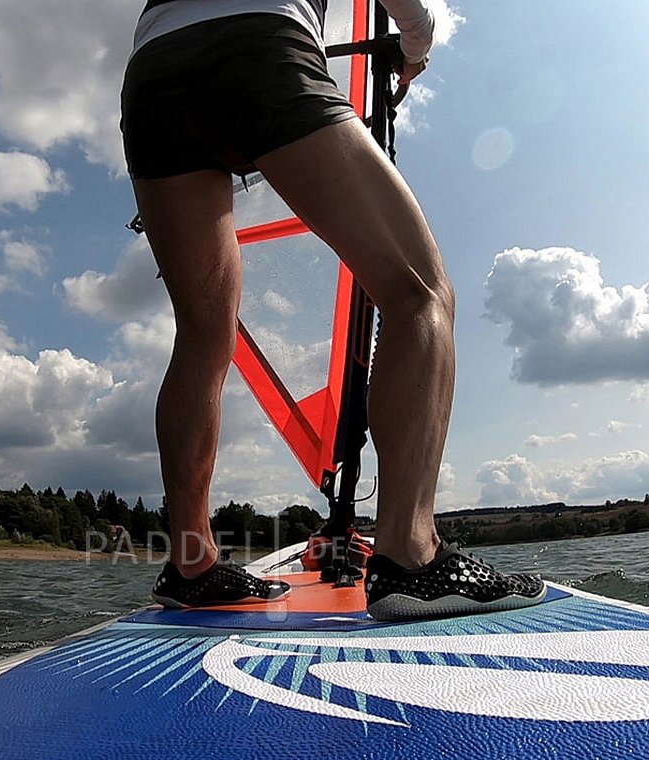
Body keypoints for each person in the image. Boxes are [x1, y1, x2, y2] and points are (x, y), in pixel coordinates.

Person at [122, 0, 546, 619]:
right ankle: (411, 555)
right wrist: (416, 47)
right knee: (420, 294)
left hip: (153, 72)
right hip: (260, 47)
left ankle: (192, 562)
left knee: (203, 337)